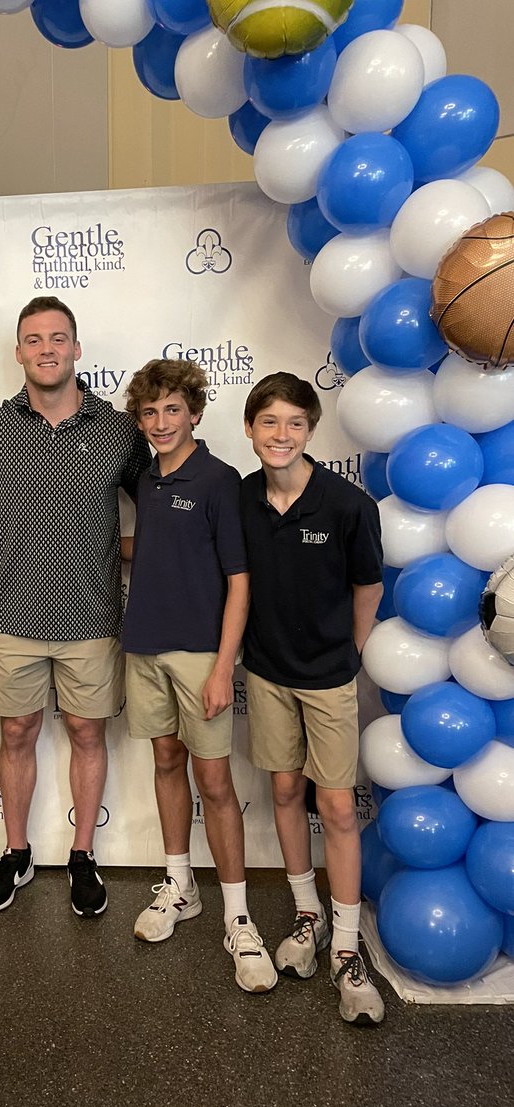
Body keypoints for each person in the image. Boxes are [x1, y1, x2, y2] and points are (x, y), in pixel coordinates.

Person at [0, 296, 151, 916]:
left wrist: (130, 550)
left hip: (92, 613)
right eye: (34, 339)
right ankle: (16, 854)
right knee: (16, 731)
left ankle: (82, 856)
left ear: (77, 348)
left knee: (85, 731)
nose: (47, 349)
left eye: (58, 338)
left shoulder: (119, 429)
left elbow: (159, 505)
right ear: (19, 352)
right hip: (8, 613)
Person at [121, 359, 277, 993]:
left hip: (199, 656)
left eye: (172, 411)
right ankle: (179, 884)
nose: (161, 423)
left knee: (214, 780)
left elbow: (240, 581)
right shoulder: (143, 478)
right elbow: (154, 545)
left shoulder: (220, 479)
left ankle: (238, 917)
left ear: (195, 413)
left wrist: (222, 667)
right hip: (144, 646)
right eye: (150, 413)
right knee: (165, 762)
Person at [240, 371, 385, 1025]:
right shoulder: (241, 499)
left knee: (337, 806)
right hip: (267, 673)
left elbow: (367, 592)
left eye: (295, 423)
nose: (281, 434)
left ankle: (349, 947)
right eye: (269, 422)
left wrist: (348, 659)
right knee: (283, 792)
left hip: (327, 677)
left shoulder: (349, 506)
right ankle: (309, 916)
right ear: (249, 430)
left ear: (311, 431)